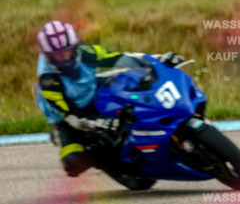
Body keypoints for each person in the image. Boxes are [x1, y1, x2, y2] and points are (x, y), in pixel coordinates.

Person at [35, 20, 184, 186]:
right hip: (67, 117)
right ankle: (105, 161)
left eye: (67, 50)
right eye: (57, 54)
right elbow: (71, 115)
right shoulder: (48, 80)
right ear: (48, 55)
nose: (63, 56)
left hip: (92, 88)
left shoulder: (86, 53)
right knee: (73, 162)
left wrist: (158, 60)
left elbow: (119, 58)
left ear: (75, 46)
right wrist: (101, 124)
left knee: (132, 85)